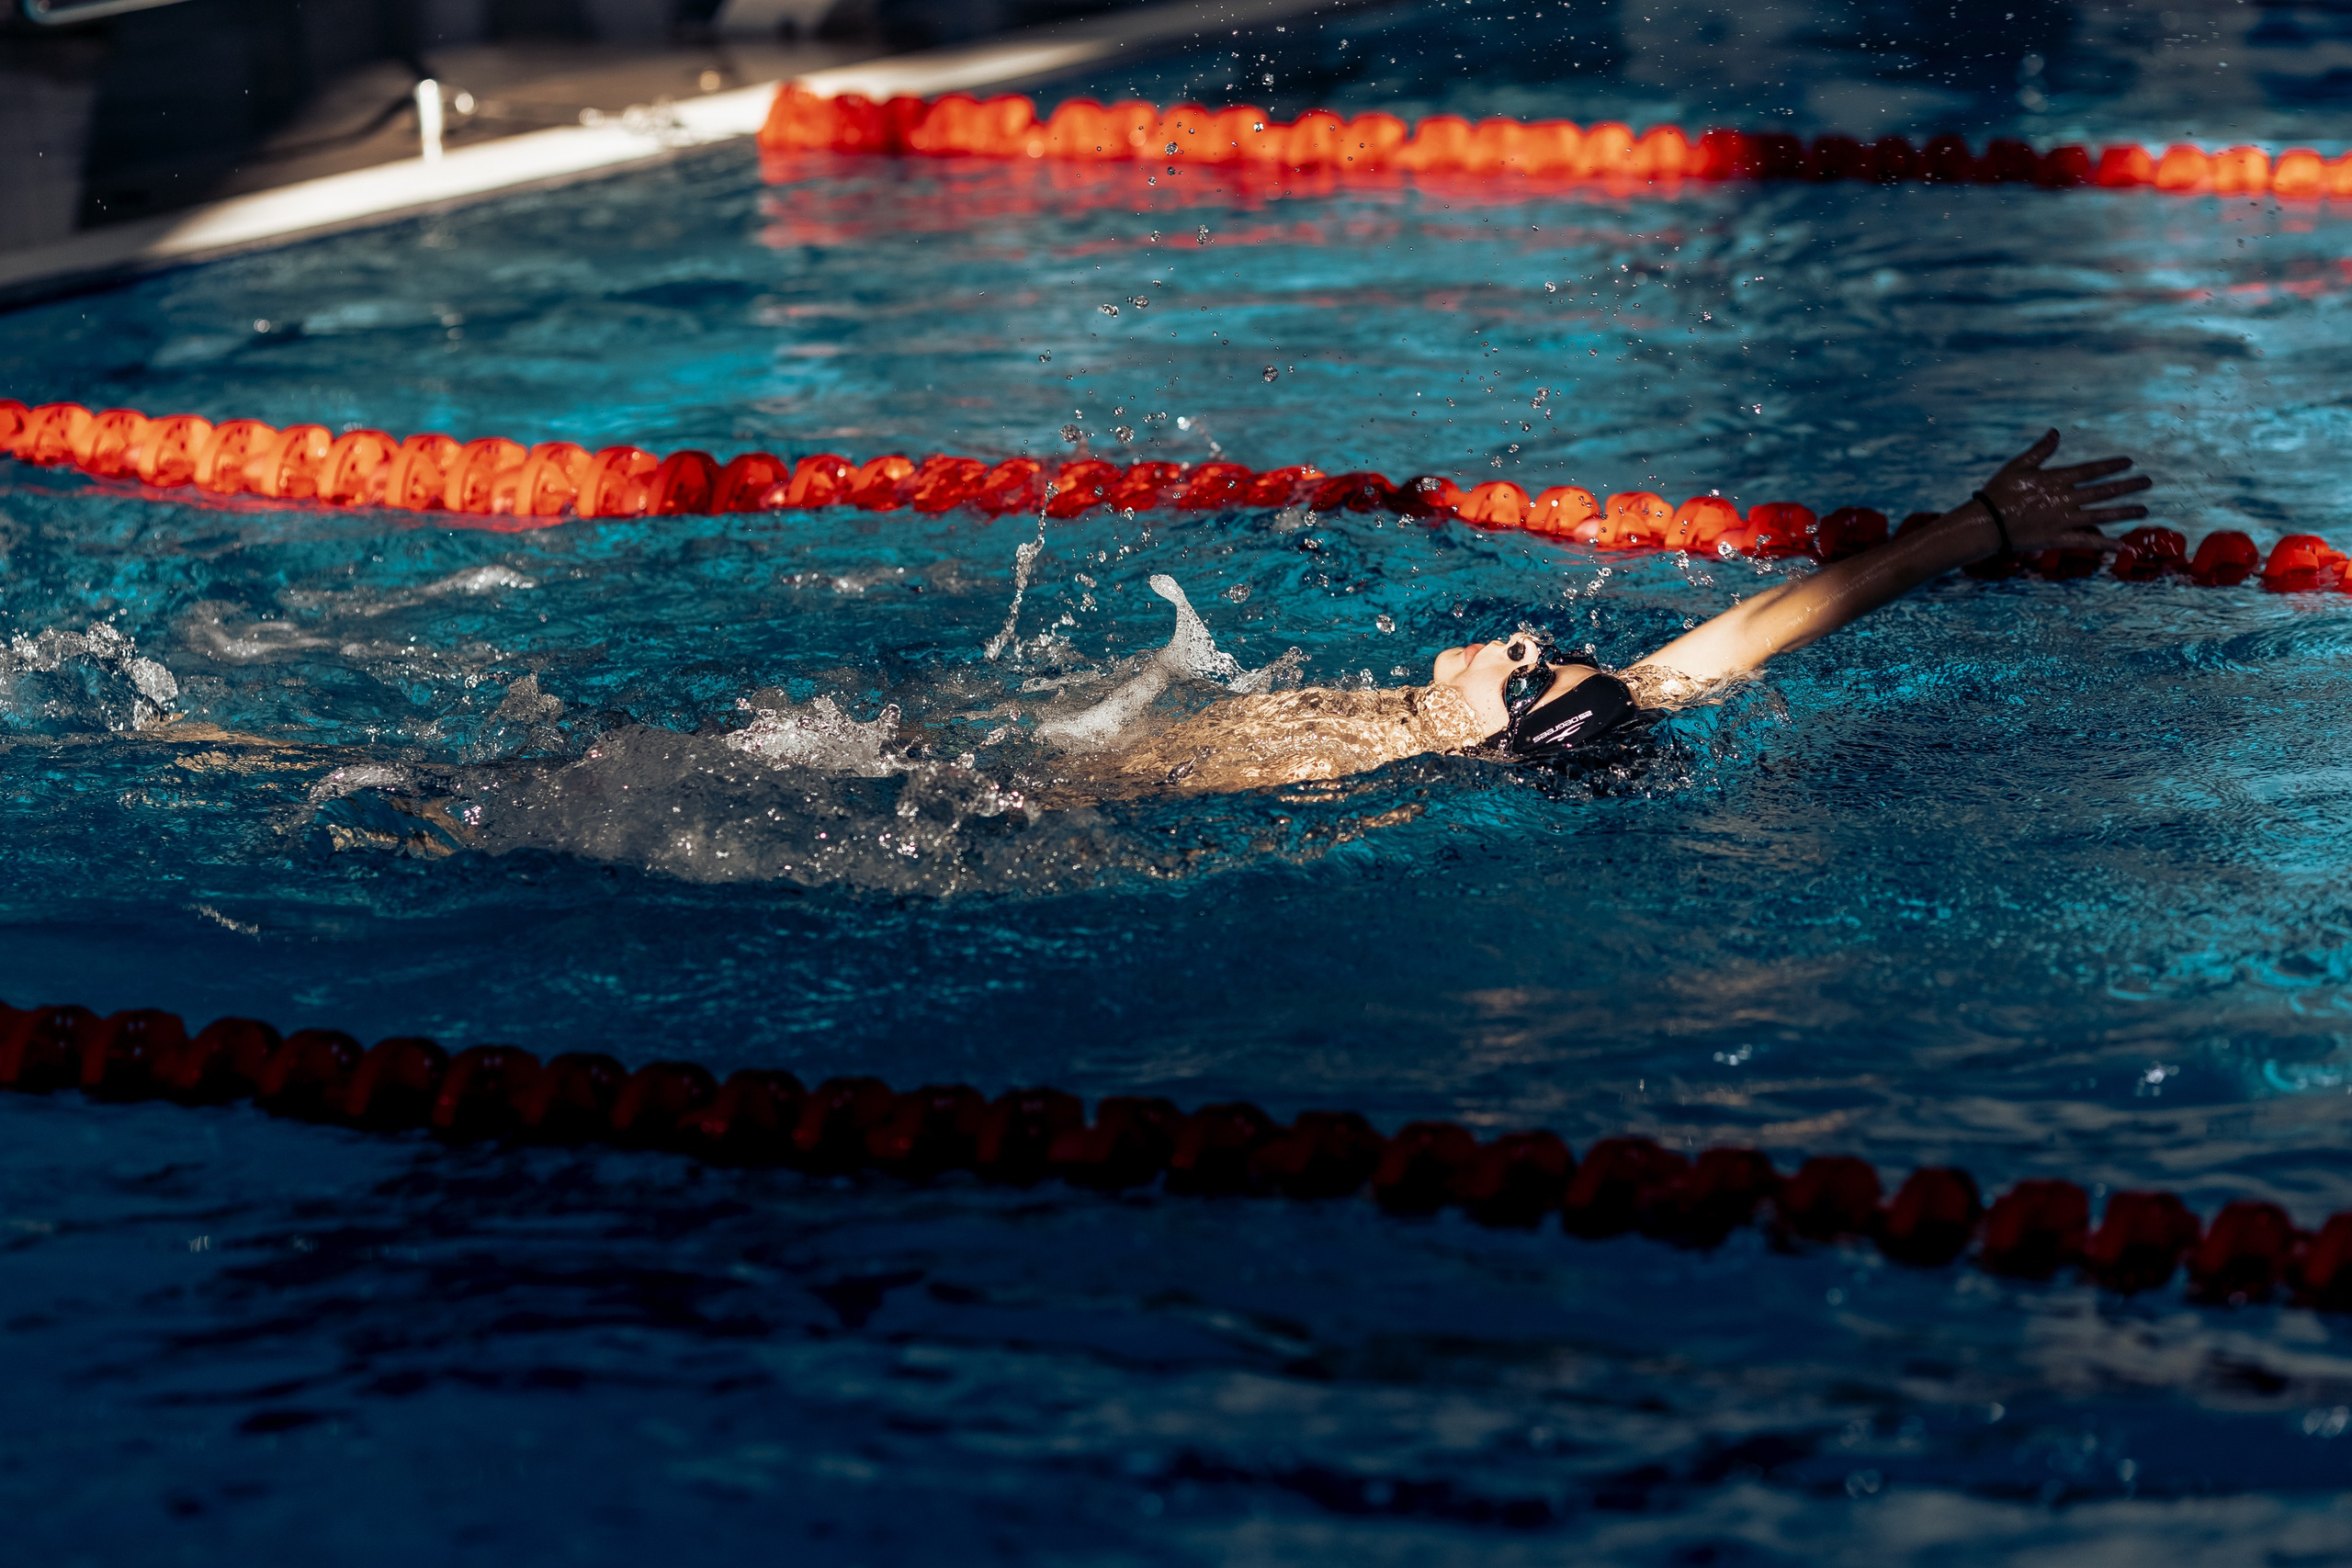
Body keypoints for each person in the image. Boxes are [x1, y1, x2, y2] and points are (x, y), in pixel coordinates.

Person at [1073, 430, 2150, 796]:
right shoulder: (1462, 730)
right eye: (1560, 654)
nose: (1534, 644)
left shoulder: (1355, 755)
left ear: (1500, 732)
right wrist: (1977, 529)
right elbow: (1755, 628)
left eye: (1533, 674)